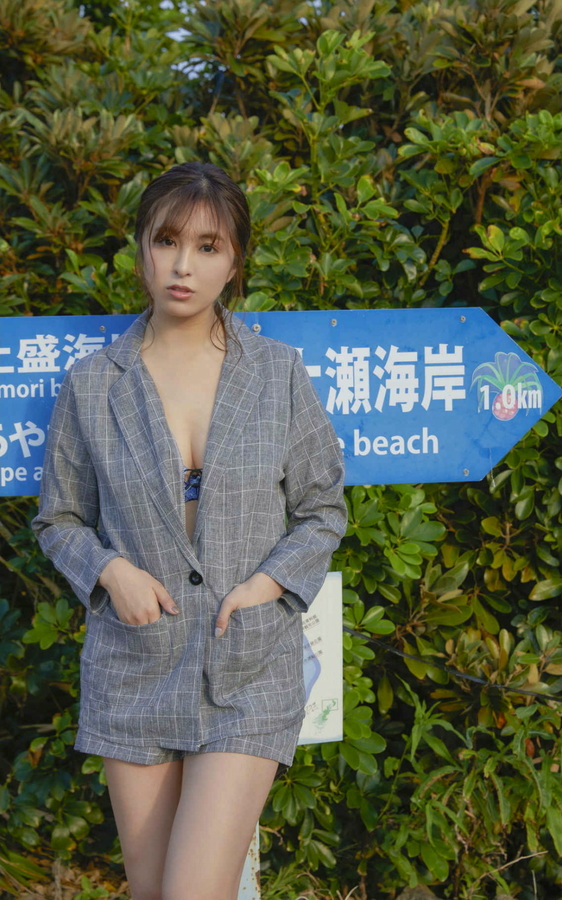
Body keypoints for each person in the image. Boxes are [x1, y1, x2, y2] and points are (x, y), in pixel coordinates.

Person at [32, 161, 347, 900]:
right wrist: (110, 572)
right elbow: (59, 518)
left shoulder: (276, 373)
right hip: (133, 663)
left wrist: (266, 585)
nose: (183, 265)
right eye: (167, 240)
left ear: (234, 263)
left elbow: (323, 509)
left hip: (248, 663)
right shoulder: (93, 383)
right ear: (141, 248)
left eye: (208, 247)